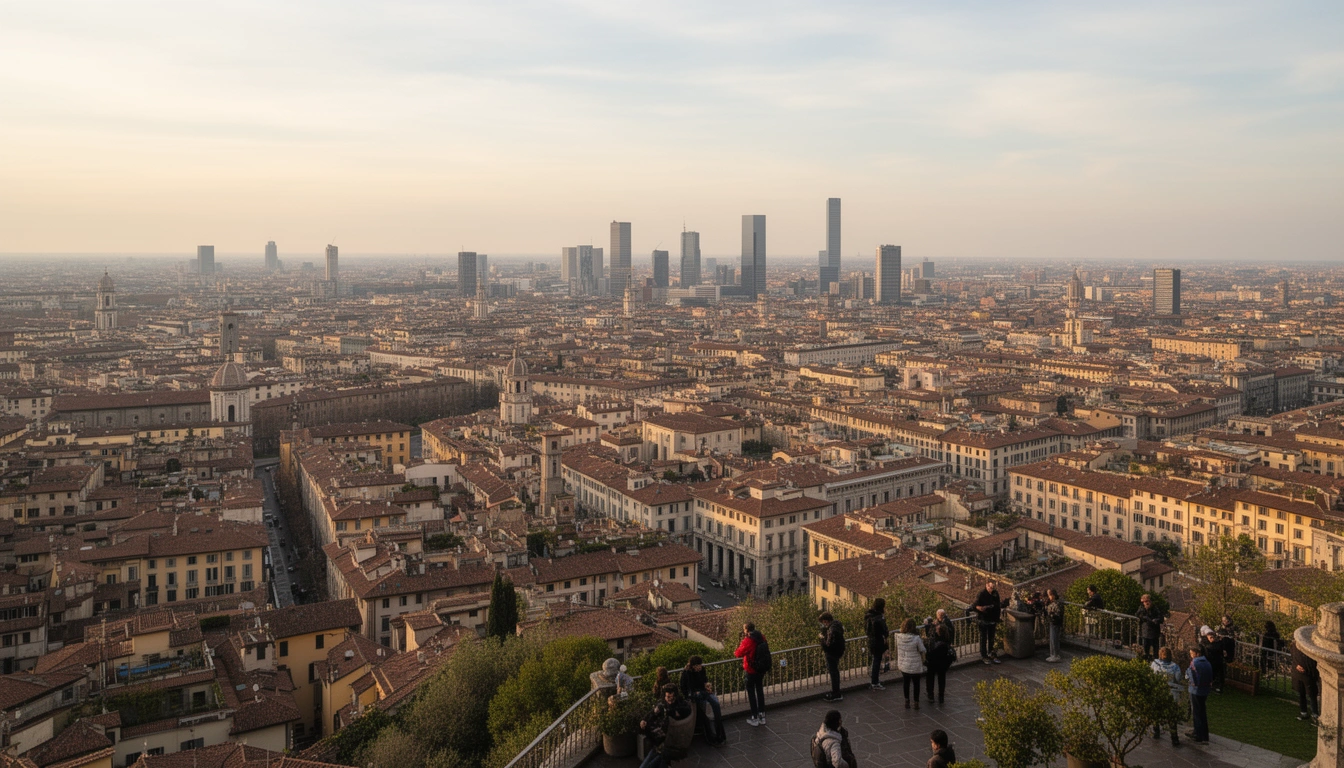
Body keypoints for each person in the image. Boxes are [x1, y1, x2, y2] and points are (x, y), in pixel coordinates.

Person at [639, 684, 693, 768]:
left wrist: (672, 712)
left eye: (672, 697)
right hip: (659, 743)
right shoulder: (662, 704)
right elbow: (653, 712)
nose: (670, 699)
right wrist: (644, 720)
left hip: (668, 742)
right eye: (668, 697)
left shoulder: (680, 704)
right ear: (665, 696)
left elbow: (687, 710)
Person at [679, 655, 725, 745]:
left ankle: (720, 732)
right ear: (693, 666)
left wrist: (706, 685)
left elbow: (704, 680)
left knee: (716, 704)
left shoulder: (702, 670)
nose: (699, 668)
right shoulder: (686, 673)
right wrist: (691, 694)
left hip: (702, 692)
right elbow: (684, 687)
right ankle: (712, 735)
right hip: (694, 695)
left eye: (700, 666)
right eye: (697, 666)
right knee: (703, 713)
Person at [734, 623, 768, 726]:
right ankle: (762, 715)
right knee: (760, 691)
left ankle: (754, 717)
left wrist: (740, 644)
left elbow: (738, 653)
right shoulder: (761, 636)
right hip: (761, 669)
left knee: (751, 693)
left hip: (751, 669)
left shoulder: (748, 640)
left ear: (746, 630)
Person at [1149, 647, 1182, 746]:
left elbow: (1151, 675)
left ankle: (1156, 731)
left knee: (1156, 712)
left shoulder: (1155, 664)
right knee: (1171, 715)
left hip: (1158, 691)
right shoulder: (1175, 666)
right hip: (1171, 692)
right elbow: (1178, 678)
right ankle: (1174, 738)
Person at [893, 617, 927, 709]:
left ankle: (907, 701)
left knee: (906, 683)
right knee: (916, 684)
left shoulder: (898, 637)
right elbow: (922, 650)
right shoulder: (916, 638)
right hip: (915, 664)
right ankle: (916, 702)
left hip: (904, 664)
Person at [973, 580, 1008, 664]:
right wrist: (980, 608)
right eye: (990, 587)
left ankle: (992, 653)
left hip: (993, 619)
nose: (991, 589)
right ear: (986, 585)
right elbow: (975, 605)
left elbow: (998, 605)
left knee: (992, 638)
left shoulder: (995, 593)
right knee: (983, 638)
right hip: (983, 620)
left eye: (992, 588)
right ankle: (984, 655)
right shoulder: (981, 594)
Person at [1185, 646, 1212, 745]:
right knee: (1203, 712)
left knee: (1196, 712)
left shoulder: (1194, 663)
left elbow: (1190, 676)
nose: (1191, 655)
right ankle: (1205, 735)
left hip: (1196, 691)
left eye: (1191, 653)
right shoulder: (1207, 662)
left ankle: (1198, 734)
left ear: (1196, 653)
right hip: (1205, 690)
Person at [819, 612, 847, 701]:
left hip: (832, 653)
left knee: (833, 672)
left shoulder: (831, 630)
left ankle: (836, 693)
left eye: (823, 622)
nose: (824, 624)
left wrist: (821, 638)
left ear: (826, 621)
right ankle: (836, 692)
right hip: (838, 652)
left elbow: (827, 644)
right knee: (835, 672)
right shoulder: (838, 625)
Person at [864, 598, 890, 690]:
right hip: (878, 641)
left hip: (871, 641)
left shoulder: (868, 615)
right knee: (877, 661)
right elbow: (884, 630)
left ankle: (874, 681)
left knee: (875, 660)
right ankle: (875, 682)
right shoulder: (879, 617)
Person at [924, 620, 952, 704]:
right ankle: (941, 696)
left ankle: (930, 695)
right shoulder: (946, 639)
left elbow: (929, 637)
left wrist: (928, 626)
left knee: (930, 678)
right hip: (943, 664)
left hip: (933, 663)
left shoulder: (935, 641)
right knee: (941, 679)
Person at [1292, 641, 1320, 722]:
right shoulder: (1294, 645)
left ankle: (1314, 714)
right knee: (1302, 693)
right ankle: (1304, 712)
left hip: (1309, 674)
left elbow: (1314, 661)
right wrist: (1297, 665)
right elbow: (1293, 657)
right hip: (1299, 674)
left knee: (1312, 695)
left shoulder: (1311, 647)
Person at [1199, 625, 1229, 693]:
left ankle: (1217, 687)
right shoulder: (1205, 644)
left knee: (1218, 674)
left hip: (1216, 661)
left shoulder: (1215, 643)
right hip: (1211, 661)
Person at [1135, 594, 1165, 660]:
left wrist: (1156, 620)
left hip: (1154, 632)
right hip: (1145, 632)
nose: (1146, 603)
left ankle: (1155, 661)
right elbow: (1137, 615)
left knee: (1155, 650)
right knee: (1146, 649)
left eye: (1147, 601)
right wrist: (1143, 617)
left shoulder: (1155, 608)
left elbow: (1161, 618)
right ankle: (1146, 660)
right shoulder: (1141, 608)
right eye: (1144, 602)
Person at [1044, 589, 1065, 662]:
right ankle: (1052, 654)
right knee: (1052, 639)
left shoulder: (1058, 603)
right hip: (1052, 622)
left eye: (1049, 595)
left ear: (1053, 595)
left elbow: (1058, 613)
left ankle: (1056, 655)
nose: (1049, 597)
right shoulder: (1051, 602)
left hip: (1056, 622)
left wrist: (1052, 615)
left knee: (1054, 638)